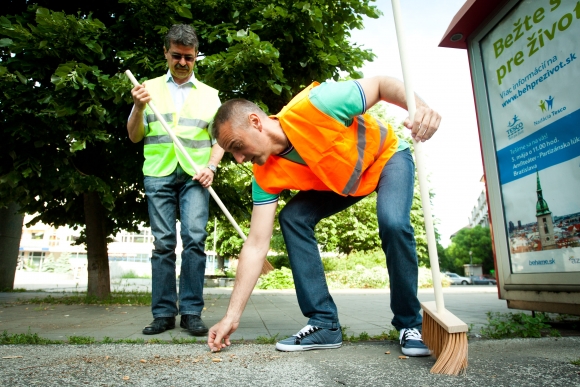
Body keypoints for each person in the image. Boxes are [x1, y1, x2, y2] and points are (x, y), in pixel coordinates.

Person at [206, 76, 441, 355]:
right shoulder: (264, 175)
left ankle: (409, 323)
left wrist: (421, 107)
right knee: (293, 218)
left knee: (393, 222)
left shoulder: (318, 105)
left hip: (386, 158)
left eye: (236, 146)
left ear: (256, 122)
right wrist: (231, 316)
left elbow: (380, 85)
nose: (239, 159)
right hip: (344, 182)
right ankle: (324, 323)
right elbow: (256, 245)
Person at [127, 24, 224, 336]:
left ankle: (192, 313)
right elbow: (134, 135)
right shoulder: (148, 88)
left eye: (189, 58)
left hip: (196, 176)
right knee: (163, 243)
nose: (183, 63)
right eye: (177, 56)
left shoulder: (211, 96)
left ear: (196, 57)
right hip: (158, 173)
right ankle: (164, 314)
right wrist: (138, 107)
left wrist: (211, 166)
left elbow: (221, 139)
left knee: (195, 240)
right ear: (166, 53)